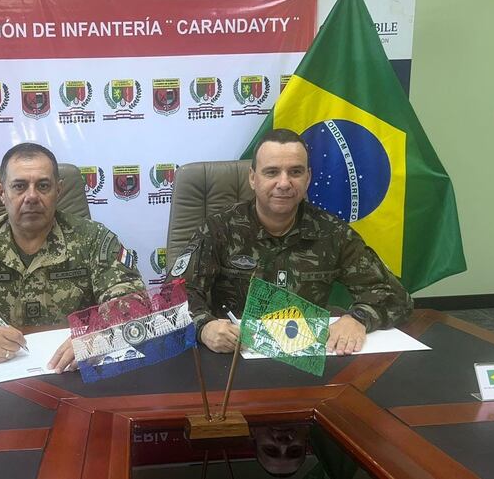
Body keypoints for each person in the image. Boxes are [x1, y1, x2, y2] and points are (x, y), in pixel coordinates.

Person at [169, 129, 413, 356]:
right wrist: (204, 327)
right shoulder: (219, 229)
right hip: (233, 359)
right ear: (253, 178)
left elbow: (396, 297)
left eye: (295, 172)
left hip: (308, 356)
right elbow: (174, 295)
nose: (284, 183)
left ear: (308, 178)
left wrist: (358, 318)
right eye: (272, 172)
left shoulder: (332, 233)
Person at [0, 142, 145, 371]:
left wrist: (99, 336)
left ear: (58, 190)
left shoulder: (94, 240)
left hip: (78, 369)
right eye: (19, 186)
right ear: (1, 192)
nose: (31, 196)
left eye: (43, 186)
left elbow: (135, 303)